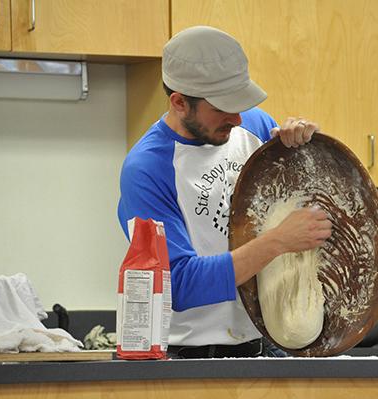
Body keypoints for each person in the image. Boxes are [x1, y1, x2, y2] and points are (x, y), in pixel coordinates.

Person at [117, 26, 332, 358]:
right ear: (179, 102)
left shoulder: (255, 126)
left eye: (240, 103)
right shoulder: (147, 169)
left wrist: (301, 150)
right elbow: (180, 284)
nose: (235, 117)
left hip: (265, 348)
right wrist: (278, 240)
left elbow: (300, 207)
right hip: (191, 360)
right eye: (221, 107)